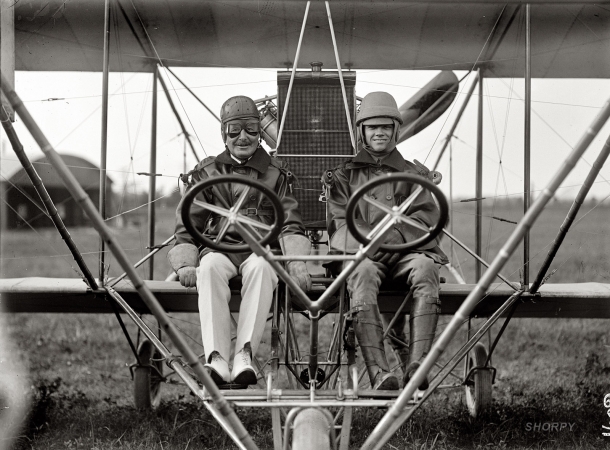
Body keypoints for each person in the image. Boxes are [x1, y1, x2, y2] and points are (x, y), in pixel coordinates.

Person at [168, 95, 311, 386]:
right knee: (207, 269)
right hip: (220, 248)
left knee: (262, 269)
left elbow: (290, 221)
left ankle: (244, 355)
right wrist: (185, 263)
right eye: (234, 131)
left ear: (260, 134)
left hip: (261, 249)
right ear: (224, 134)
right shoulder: (207, 171)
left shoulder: (276, 173)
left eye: (251, 130)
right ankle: (216, 358)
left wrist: (296, 262)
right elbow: (188, 222)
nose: (243, 137)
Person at [324, 91, 448, 390]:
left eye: (385, 127)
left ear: (395, 130)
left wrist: (399, 239)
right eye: (372, 127)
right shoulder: (343, 176)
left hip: (406, 254)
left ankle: (417, 364)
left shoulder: (413, 174)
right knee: (362, 272)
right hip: (363, 256)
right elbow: (340, 223)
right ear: (362, 131)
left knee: (426, 269)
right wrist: (377, 243)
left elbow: (428, 220)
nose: (379, 132)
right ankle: (380, 372)